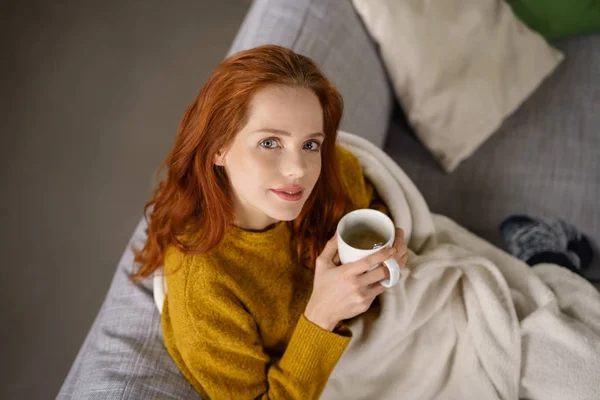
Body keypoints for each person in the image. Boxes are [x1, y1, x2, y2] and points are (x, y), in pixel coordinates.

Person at [131, 45, 409, 399]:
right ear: (219, 147)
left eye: (310, 144)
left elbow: (375, 203)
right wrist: (321, 317)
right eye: (269, 142)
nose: (298, 170)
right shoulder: (204, 287)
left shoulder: (330, 173)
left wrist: (387, 253)